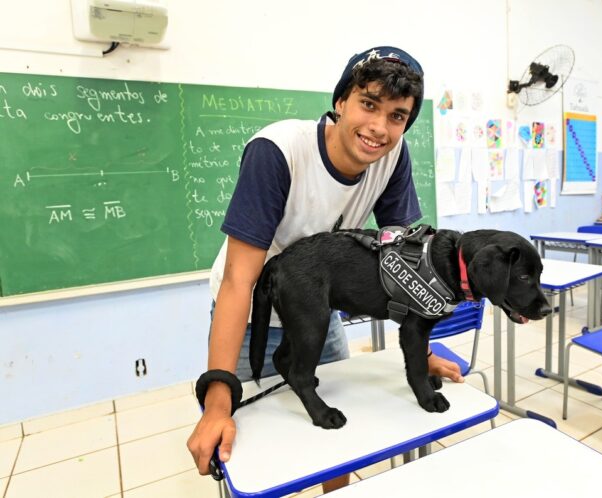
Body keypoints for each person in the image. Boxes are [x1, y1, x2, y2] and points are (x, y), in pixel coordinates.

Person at [187, 46, 463, 493]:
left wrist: (422, 354)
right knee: (250, 448)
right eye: (368, 104)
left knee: (332, 433)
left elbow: (405, 261)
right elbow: (240, 280)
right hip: (250, 307)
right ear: (340, 102)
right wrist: (217, 401)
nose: (379, 128)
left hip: (319, 304)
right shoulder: (277, 151)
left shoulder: (394, 157)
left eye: (397, 116)